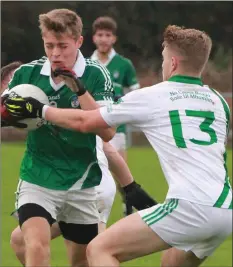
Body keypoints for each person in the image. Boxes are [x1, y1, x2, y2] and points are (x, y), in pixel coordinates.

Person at [6, 25, 232, 267]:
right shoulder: (219, 101)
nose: (163, 65)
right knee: (171, 262)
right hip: (225, 209)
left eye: (164, 60)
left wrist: (40, 110)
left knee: (100, 249)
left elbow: (85, 122)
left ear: (173, 63)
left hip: (189, 206)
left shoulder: (153, 95)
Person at [1, 10, 156, 266]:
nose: (55, 53)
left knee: (81, 262)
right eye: (49, 45)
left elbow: (107, 132)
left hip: (82, 184)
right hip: (37, 177)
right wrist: (7, 115)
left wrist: (79, 89)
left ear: (79, 42)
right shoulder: (26, 75)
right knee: (35, 247)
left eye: (63, 46)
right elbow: (4, 109)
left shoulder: (96, 75)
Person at [91, 16, 140, 216]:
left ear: (114, 38)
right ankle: (91, 213)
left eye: (107, 35)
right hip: (93, 128)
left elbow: (136, 92)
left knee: (121, 175)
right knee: (95, 174)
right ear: (93, 37)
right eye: (100, 34)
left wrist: (123, 99)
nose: (103, 39)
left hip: (117, 130)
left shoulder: (124, 64)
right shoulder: (87, 63)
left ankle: (127, 209)